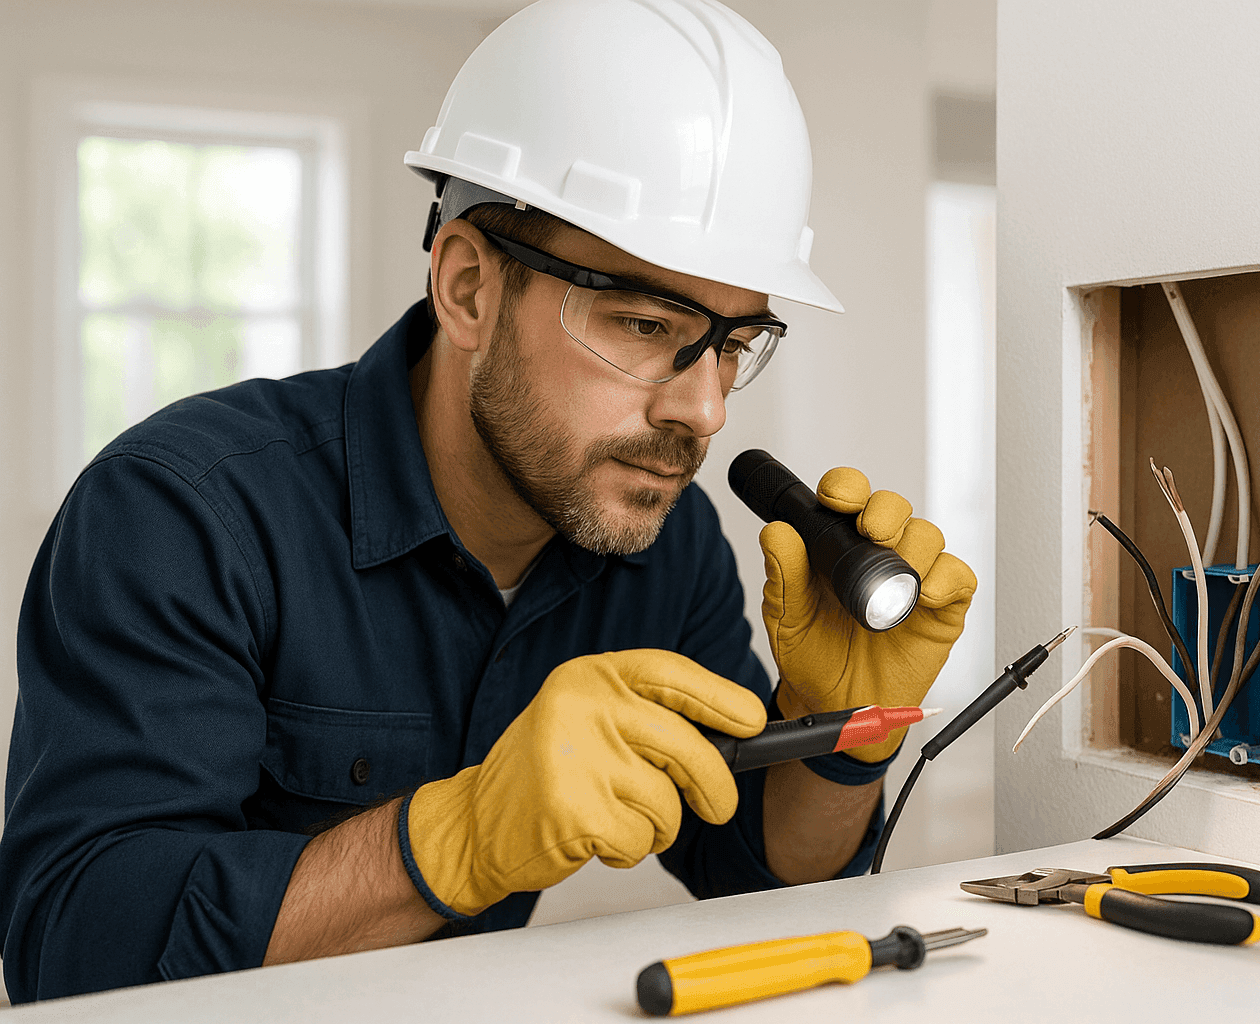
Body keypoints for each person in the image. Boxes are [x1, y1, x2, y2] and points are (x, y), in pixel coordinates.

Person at [0, 0, 975, 1003]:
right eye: (645, 324)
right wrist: (457, 835)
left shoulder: (664, 542)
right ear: (466, 288)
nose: (705, 408)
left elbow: (760, 873)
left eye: (734, 344)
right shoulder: (184, 513)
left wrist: (834, 726)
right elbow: (75, 955)